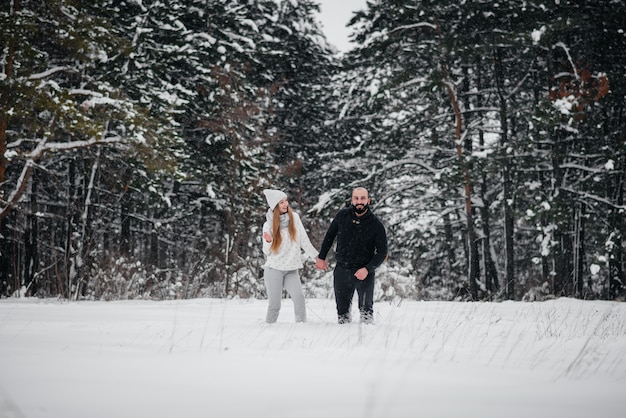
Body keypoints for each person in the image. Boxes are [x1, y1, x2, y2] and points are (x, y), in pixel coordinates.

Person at [315, 187, 388, 324]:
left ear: (368, 201)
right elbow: (329, 237)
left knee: (366, 314)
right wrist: (321, 257)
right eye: (356, 198)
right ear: (352, 200)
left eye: (362, 198)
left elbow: (382, 252)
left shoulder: (376, 225)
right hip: (342, 270)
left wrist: (367, 269)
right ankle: (344, 342)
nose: (359, 202)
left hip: (364, 273)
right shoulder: (342, 216)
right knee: (343, 316)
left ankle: (366, 342)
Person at [261, 189, 319, 323]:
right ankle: (268, 330)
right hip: (274, 269)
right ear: (275, 205)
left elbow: (304, 240)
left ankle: (301, 327)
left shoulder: (295, 218)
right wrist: (269, 241)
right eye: (281, 202)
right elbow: (267, 252)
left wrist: (316, 257)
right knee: (275, 305)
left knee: (299, 299)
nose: (285, 204)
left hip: (291, 269)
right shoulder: (268, 225)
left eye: (286, 200)